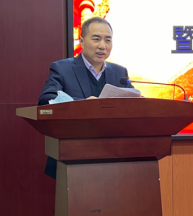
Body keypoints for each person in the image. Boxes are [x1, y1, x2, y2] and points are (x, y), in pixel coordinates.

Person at [38, 16, 134, 178]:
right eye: (96, 39)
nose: (102, 46)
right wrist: (83, 105)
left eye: (108, 40)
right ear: (82, 41)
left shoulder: (119, 72)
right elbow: (46, 100)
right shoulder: (62, 68)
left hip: (113, 157)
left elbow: (134, 102)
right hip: (72, 155)